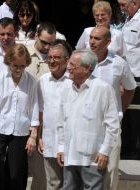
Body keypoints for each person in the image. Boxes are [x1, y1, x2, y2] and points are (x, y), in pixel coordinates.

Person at [57, 49, 120, 190]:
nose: (68, 67)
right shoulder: (66, 88)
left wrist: (105, 151)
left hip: (93, 158)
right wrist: (61, 147)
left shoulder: (103, 89)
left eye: (73, 65)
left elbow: (113, 125)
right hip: (70, 155)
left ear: (86, 68)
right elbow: (61, 121)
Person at [89, 26, 136, 190]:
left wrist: (120, 110)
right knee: (87, 173)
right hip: (86, 125)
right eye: (91, 38)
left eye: (97, 38)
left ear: (108, 42)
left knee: (110, 172)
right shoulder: (82, 61)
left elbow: (130, 88)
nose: (92, 41)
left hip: (111, 127)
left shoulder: (119, 63)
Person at [0, 43, 39, 190]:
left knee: (17, 172)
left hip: (21, 131)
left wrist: (33, 136)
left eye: (22, 66)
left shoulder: (31, 81)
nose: (18, 69)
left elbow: (34, 107)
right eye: (15, 65)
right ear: (9, 61)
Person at [37, 40, 72, 190]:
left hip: (71, 142)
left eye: (56, 57)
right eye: (50, 57)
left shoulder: (74, 81)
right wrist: (38, 136)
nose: (52, 61)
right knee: (53, 183)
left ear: (67, 60)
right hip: (49, 140)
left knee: (72, 184)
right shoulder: (42, 81)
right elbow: (39, 110)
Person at [118, 0, 140, 160]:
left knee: (135, 114)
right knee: (125, 111)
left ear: (135, 3)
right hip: (126, 73)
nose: (120, 7)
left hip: (137, 72)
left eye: (123, 4)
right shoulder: (126, 19)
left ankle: (135, 149)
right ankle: (127, 147)